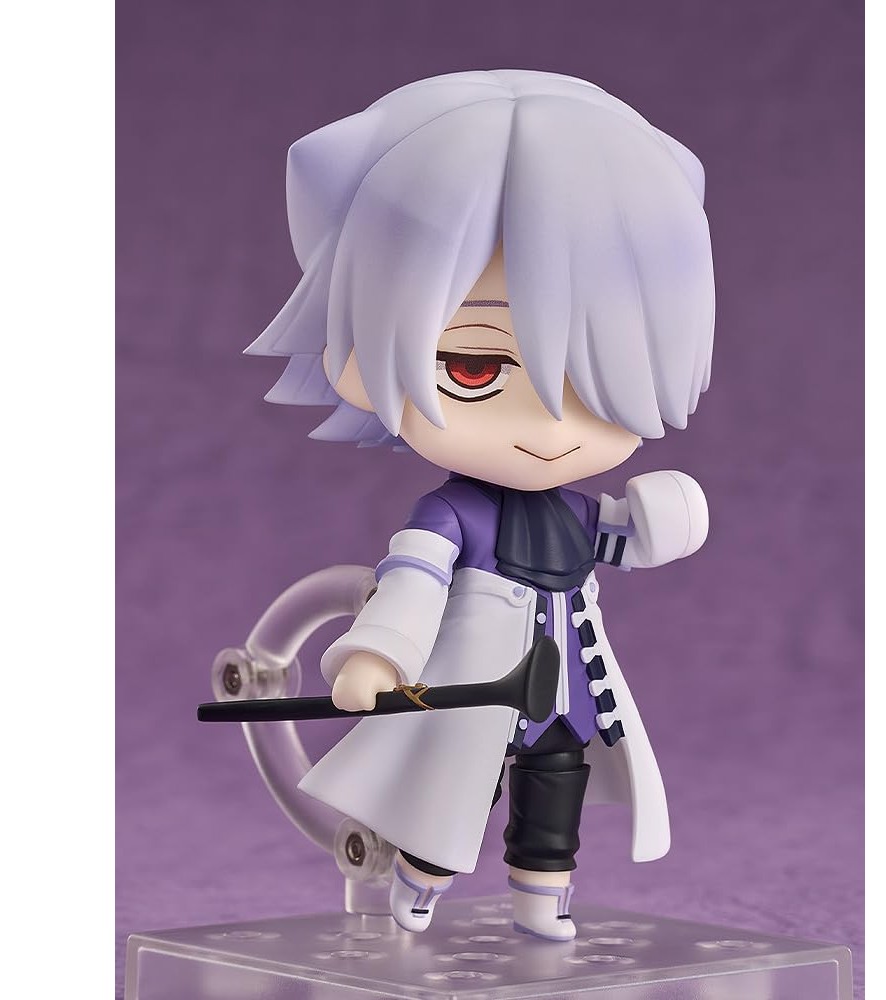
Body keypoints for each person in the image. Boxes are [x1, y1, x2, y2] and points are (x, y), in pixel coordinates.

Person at [246, 69, 715, 941]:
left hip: (569, 699)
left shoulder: (578, 514)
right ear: (363, 360)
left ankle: (544, 898)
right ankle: (419, 883)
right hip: (470, 697)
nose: (551, 425)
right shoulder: (453, 516)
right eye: (476, 366)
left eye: (602, 381)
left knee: (554, 804)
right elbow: (412, 586)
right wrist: (375, 657)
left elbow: (627, 539)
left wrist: (669, 519)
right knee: (447, 801)